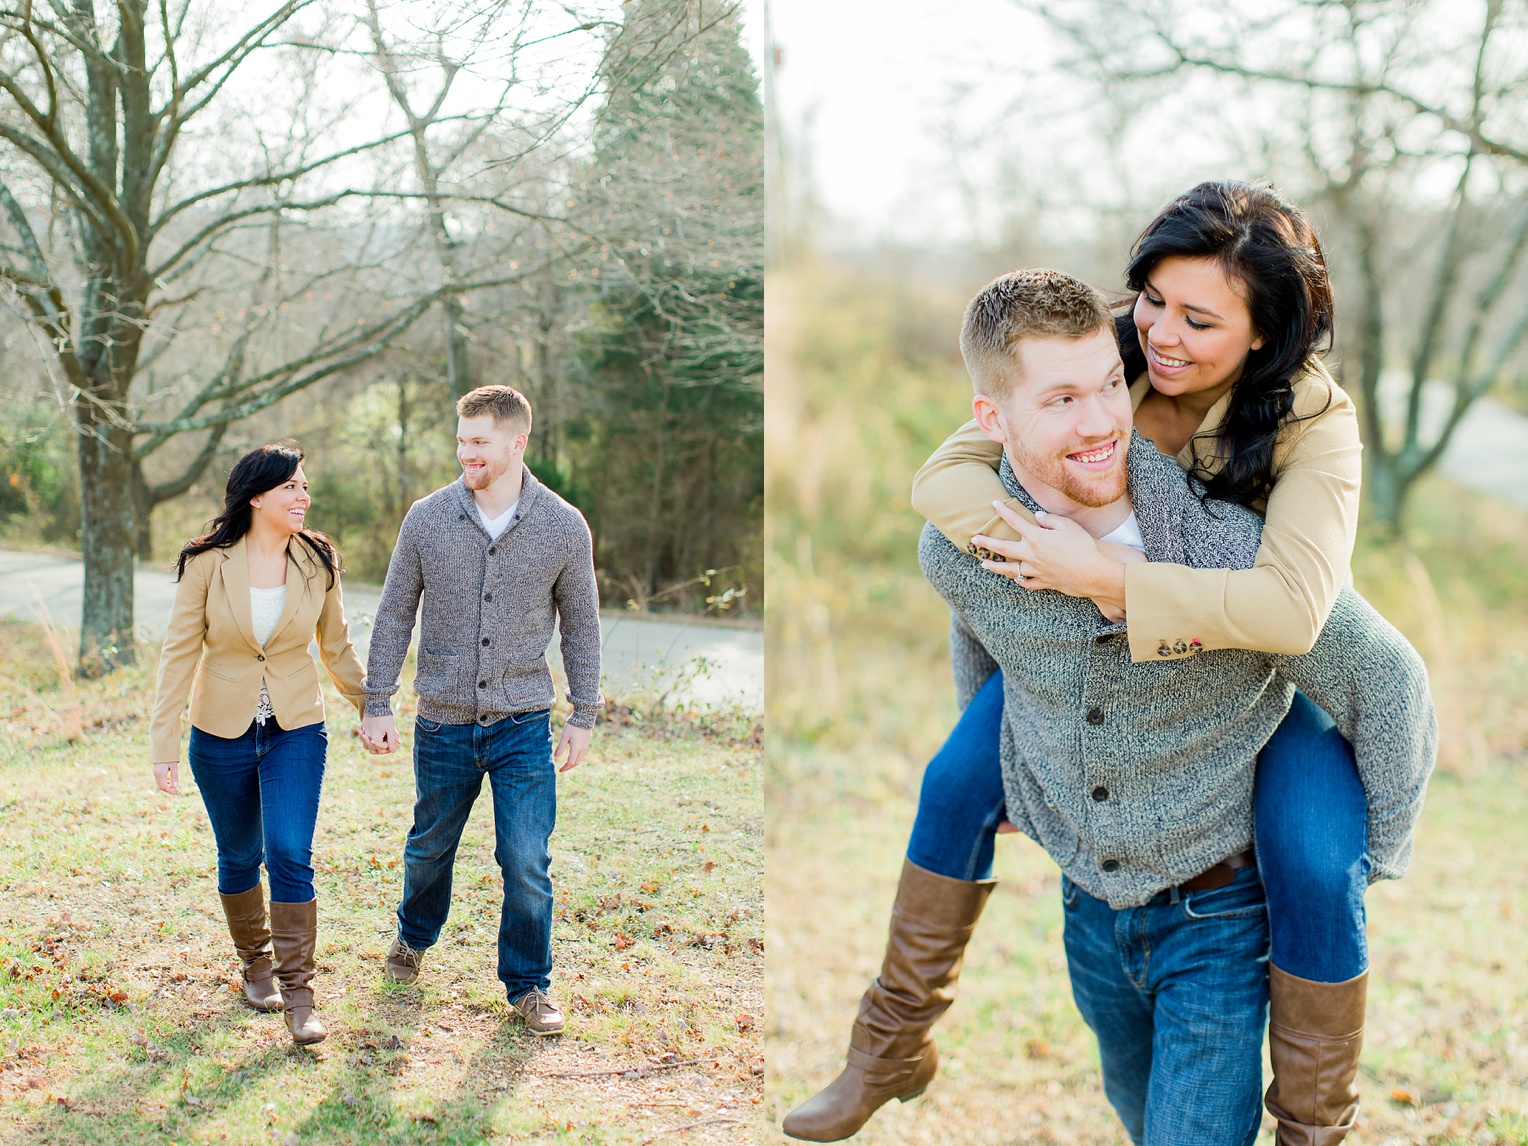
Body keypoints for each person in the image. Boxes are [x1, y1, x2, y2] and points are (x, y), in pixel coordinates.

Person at [784, 181, 1386, 1143]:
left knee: (1314, 859)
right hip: (1083, 647)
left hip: (1244, 647)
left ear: (1264, 335)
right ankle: (888, 1042)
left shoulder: (1313, 417)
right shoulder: (1108, 350)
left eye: (1200, 319)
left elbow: (1296, 610)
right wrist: (1028, 549)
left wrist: (1112, 576)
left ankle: (1313, 1125)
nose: (1163, 336)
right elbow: (944, 477)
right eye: (1152, 299)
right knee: (953, 782)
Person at [359, 384, 602, 1037]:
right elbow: (393, 615)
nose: (466, 452)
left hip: (523, 722)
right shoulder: (427, 518)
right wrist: (376, 700)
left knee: (526, 857)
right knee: (430, 847)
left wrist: (584, 713)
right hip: (442, 720)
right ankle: (413, 938)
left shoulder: (561, 525)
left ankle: (529, 985)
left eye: (479, 442)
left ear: (517, 443)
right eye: (461, 440)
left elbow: (581, 625)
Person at [149, 442, 366, 1047]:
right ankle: (256, 966)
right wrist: (163, 742)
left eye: (304, 486)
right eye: (292, 487)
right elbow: (179, 653)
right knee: (240, 856)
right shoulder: (208, 564)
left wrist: (372, 706)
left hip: (296, 728)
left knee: (290, 850)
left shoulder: (317, 561)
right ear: (257, 496)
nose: (304, 497)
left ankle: (301, 992)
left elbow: (337, 647)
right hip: (220, 733)